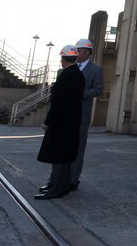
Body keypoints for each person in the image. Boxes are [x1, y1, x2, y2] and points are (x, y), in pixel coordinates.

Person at [35, 45, 85, 200]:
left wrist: (48, 122)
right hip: (72, 122)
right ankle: (61, 187)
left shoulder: (65, 76)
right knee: (66, 157)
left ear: (63, 59)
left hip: (61, 123)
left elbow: (58, 102)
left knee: (58, 156)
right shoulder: (78, 74)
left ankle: (55, 188)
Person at [69, 37, 104, 191]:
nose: (77, 53)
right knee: (64, 146)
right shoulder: (70, 68)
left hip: (82, 115)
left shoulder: (95, 70)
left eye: (80, 51)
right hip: (67, 114)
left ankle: (73, 180)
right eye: (76, 51)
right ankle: (61, 177)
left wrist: (80, 93)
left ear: (88, 52)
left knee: (78, 148)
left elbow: (98, 89)